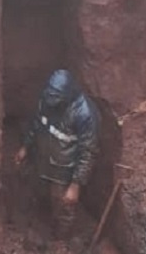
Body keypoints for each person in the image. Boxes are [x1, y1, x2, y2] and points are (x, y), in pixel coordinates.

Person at [14, 69, 100, 239]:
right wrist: (25, 147)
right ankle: (37, 219)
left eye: (56, 98)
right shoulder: (47, 99)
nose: (51, 101)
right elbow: (37, 124)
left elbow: (88, 152)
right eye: (50, 96)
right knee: (37, 190)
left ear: (67, 95)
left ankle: (61, 241)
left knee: (63, 207)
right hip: (42, 160)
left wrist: (75, 185)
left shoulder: (85, 114)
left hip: (63, 172)